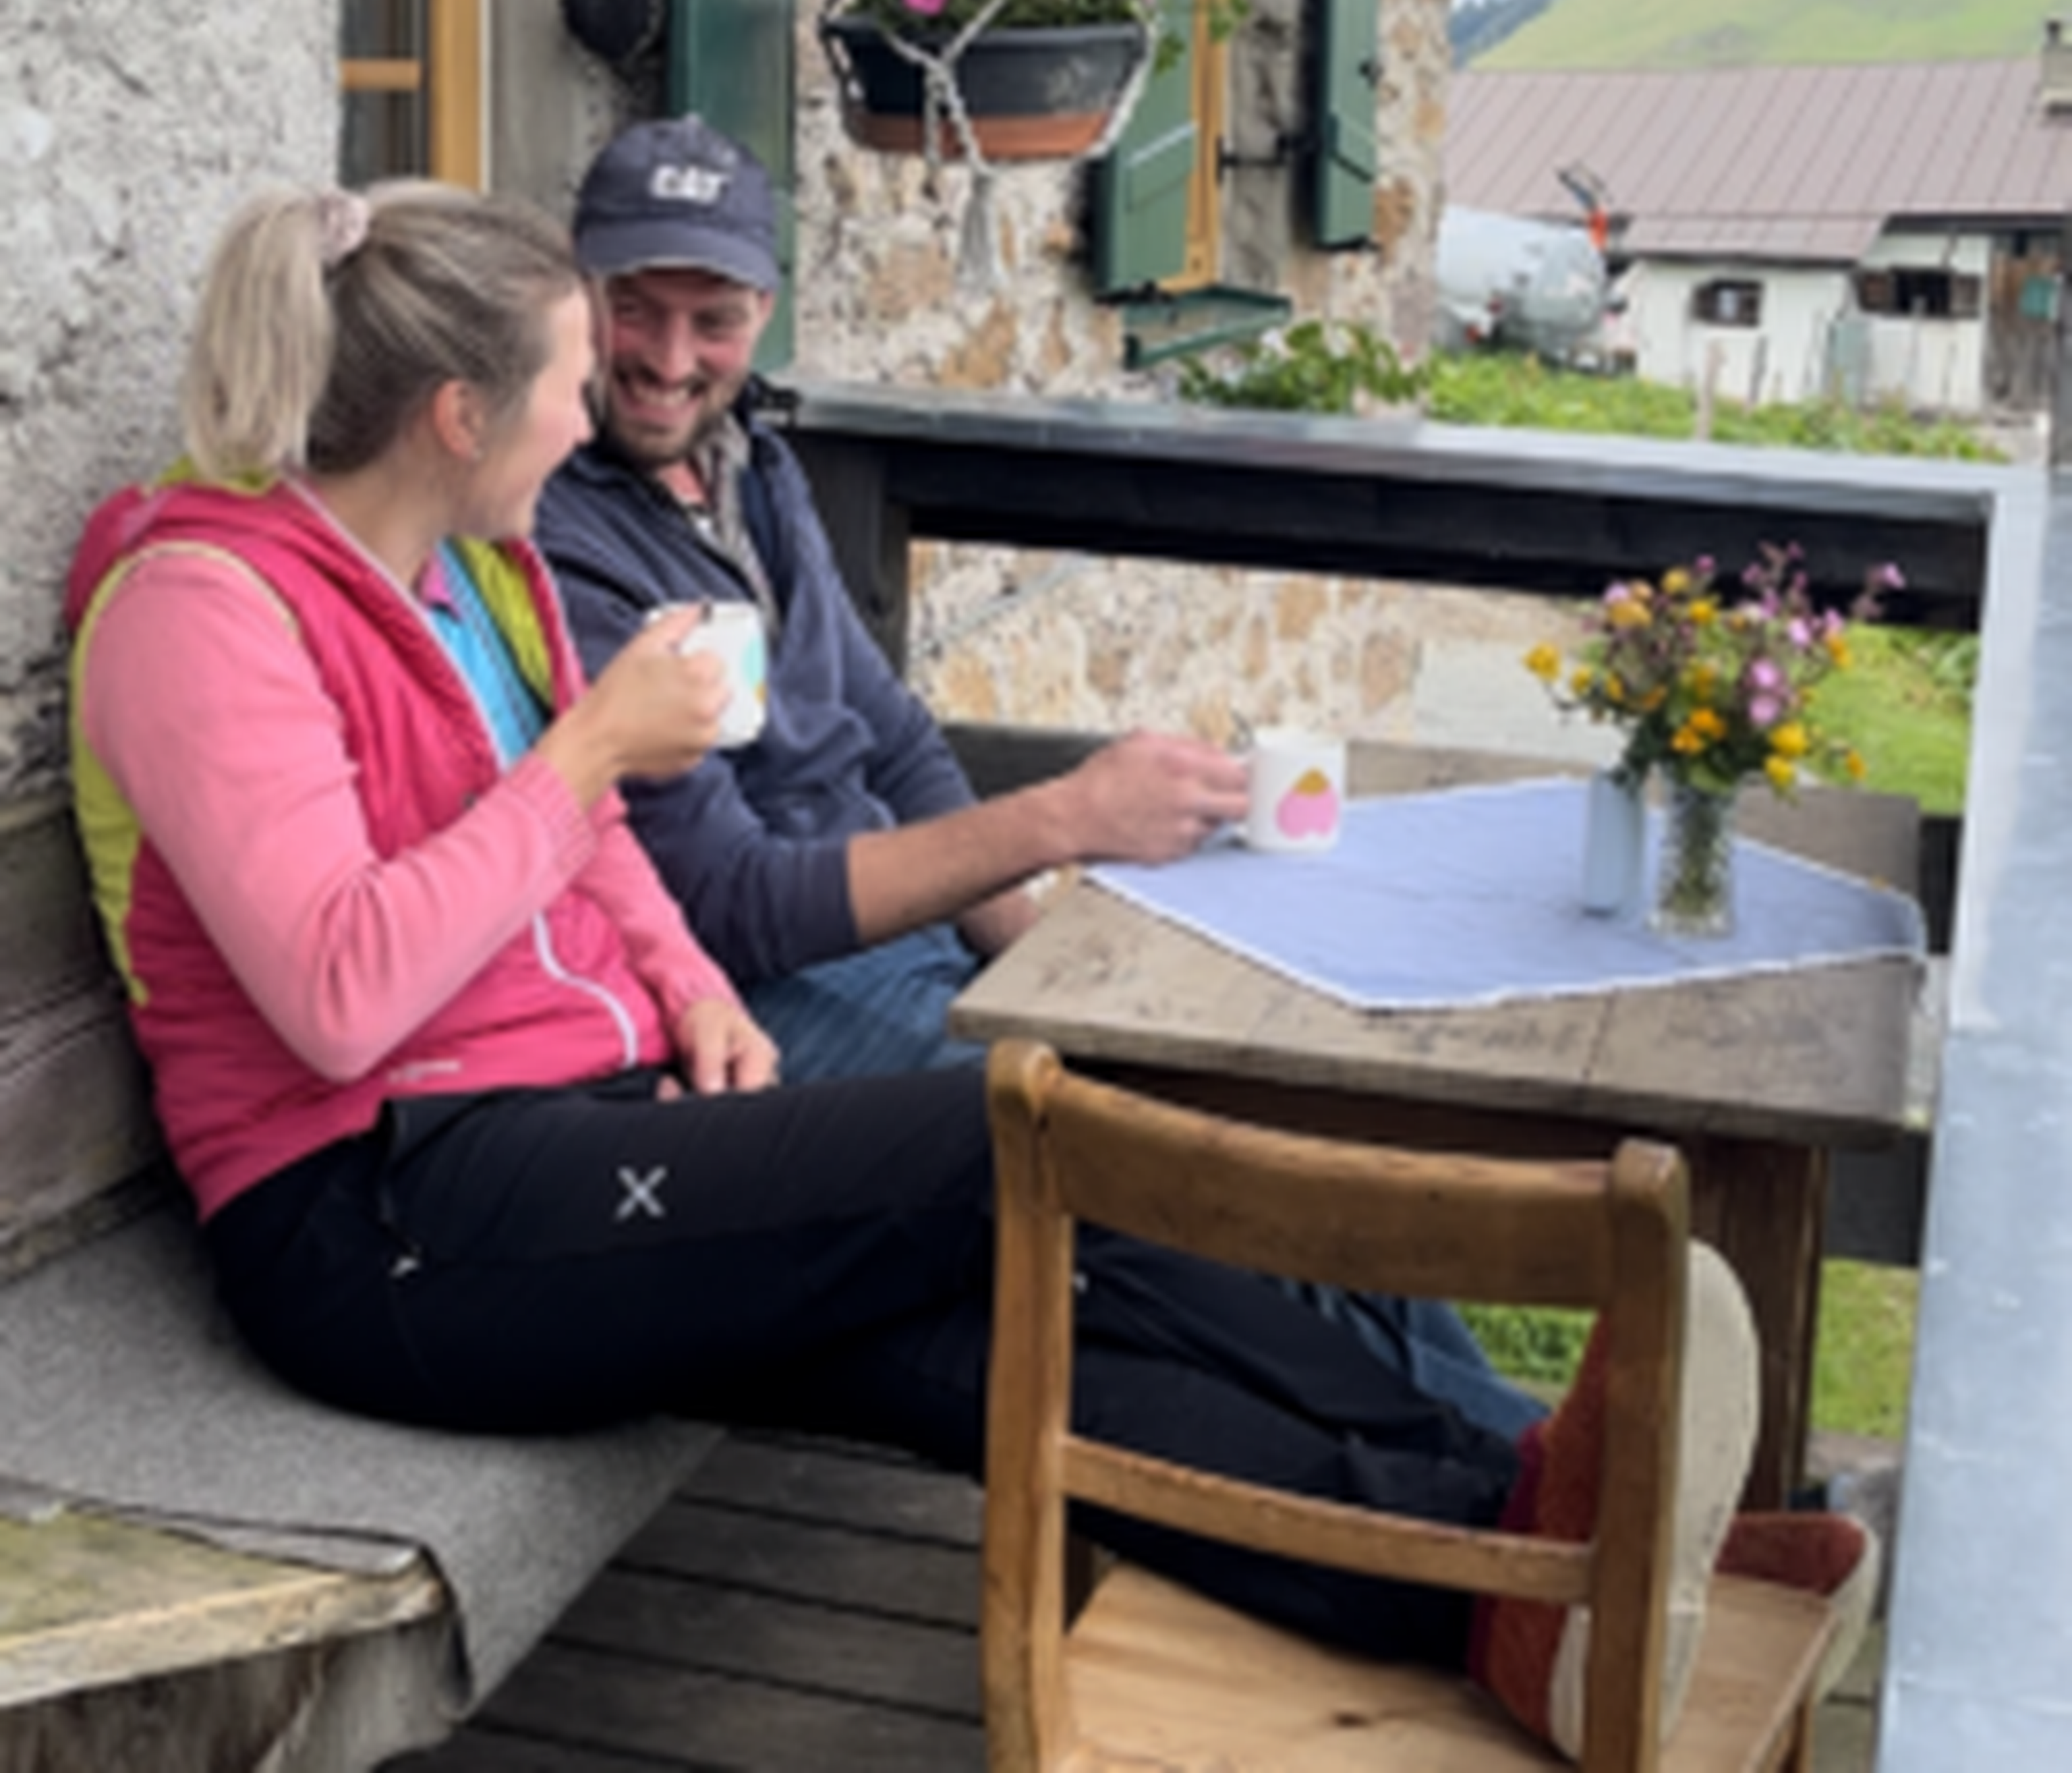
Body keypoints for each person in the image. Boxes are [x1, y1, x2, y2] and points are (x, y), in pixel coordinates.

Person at [65, 177, 1866, 1756]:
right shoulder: (201, 611)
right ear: (460, 413)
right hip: (378, 1215)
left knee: (1005, 1343)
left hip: (560, 1132)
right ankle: (1541, 1518)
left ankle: (1508, 1569)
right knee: (1014, 1142)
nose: (584, 414)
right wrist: (590, 749)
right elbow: (338, 993)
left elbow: (596, 853)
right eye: (561, 378)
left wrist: (690, 990)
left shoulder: (476, 578)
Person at [531, 113, 1533, 1439]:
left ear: (763, 311)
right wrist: (1060, 817)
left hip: (895, 956)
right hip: (755, 1007)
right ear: (570, 298)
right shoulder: (558, 528)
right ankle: (1513, 1481)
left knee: (1237, 1114)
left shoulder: (752, 465)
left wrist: (1027, 945)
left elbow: (885, 732)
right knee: (1164, 1166)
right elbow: (732, 904)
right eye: (631, 310)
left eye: (710, 316)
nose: (668, 359)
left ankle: (1538, 1453)